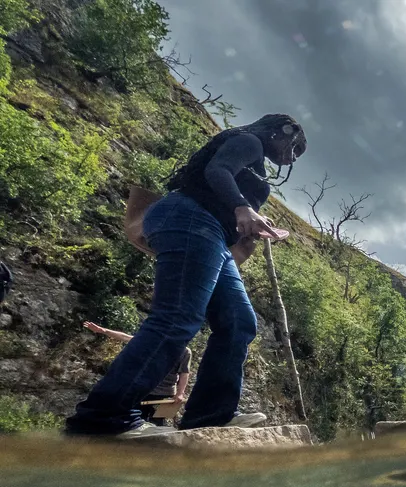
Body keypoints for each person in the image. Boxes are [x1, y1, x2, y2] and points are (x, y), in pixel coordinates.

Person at [65, 114, 305, 437]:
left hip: (212, 233)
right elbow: (216, 171)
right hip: (192, 218)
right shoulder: (250, 142)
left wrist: (251, 220)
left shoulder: (255, 162)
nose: (293, 156)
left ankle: (210, 415)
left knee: (238, 322)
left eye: (299, 155)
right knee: (177, 317)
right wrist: (241, 206)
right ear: (282, 131)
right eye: (296, 147)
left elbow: (226, 190)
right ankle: (104, 415)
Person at [83, 321, 191, 425]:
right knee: (136, 417)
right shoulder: (153, 342)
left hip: (164, 392)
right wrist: (104, 330)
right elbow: (126, 337)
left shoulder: (184, 351)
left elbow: (184, 373)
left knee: (157, 420)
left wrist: (180, 393)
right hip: (144, 388)